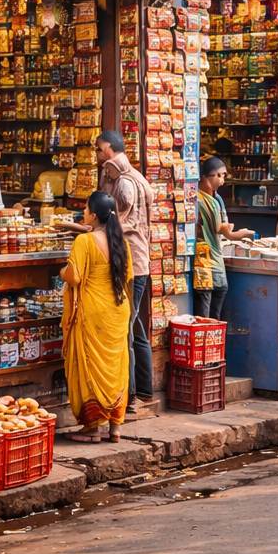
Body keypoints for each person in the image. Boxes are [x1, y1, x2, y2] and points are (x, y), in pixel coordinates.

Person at [93, 131, 157, 416]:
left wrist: (85, 229)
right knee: (136, 327)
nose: (96, 156)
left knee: (125, 331)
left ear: (109, 152)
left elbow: (116, 223)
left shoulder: (125, 184)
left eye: (99, 150)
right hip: (138, 261)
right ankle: (144, 389)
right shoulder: (140, 179)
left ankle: (129, 396)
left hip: (131, 263)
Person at [60, 191, 131, 443]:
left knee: (89, 367)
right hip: (118, 309)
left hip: (94, 311)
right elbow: (127, 276)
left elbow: (74, 276)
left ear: (93, 214)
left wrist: (62, 271)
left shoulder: (85, 241)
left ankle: (92, 428)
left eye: (86, 209)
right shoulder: (120, 241)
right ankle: (115, 427)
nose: (83, 213)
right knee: (116, 367)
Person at [195, 157, 255, 320]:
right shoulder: (205, 201)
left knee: (210, 312)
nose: (223, 180)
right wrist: (242, 233)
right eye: (220, 175)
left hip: (210, 262)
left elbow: (223, 226)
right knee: (208, 315)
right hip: (208, 263)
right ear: (209, 176)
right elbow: (225, 231)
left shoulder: (214, 199)